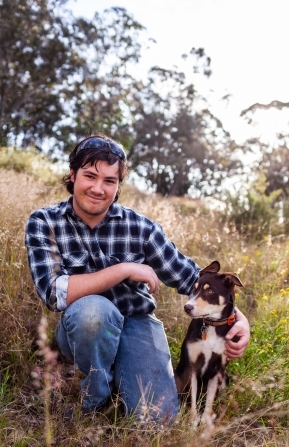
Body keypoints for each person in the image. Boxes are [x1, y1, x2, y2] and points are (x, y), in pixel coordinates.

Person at [25, 134, 250, 422]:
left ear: (118, 185)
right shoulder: (44, 222)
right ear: (72, 175)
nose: (98, 188)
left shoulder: (140, 227)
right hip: (82, 326)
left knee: (160, 419)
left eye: (109, 180)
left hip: (136, 322)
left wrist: (238, 319)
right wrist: (124, 269)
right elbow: (54, 292)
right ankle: (95, 396)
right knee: (94, 313)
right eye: (90, 176)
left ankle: (124, 370)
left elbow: (191, 278)